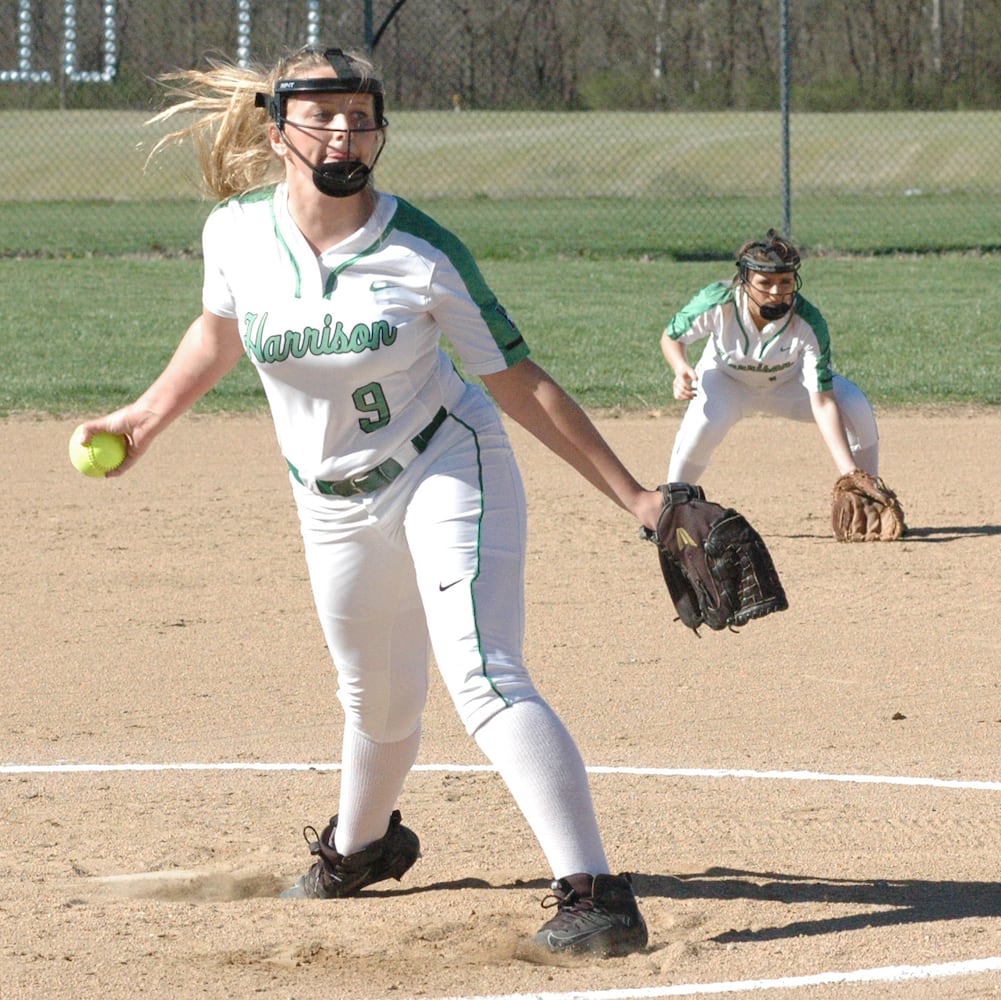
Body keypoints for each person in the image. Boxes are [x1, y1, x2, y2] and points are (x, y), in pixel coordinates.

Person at [74, 45, 658, 958]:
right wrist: (146, 417)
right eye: (323, 114)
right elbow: (218, 332)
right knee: (375, 703)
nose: (345, 130)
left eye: (361, 114)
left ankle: (595, 891)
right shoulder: (234, 233)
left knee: (484, 672)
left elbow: (515, 379)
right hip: (330, 498)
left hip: (445, 466)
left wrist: (638, 497)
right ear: (278, 131)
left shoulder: (421, 248)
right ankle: (363, 847)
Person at [660, 230, 883, 490]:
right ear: (744, 280)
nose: (777, 292)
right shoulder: (719, 301)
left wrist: (849, 473)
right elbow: (672, 335)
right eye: (765, 282)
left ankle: (868, 493)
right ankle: (669, 507)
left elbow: (822, 402)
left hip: (788, 386)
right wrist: (680, 367)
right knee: (702, 428)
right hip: (726, 382)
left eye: (786, 282)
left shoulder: (808, 320)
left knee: (854, 405)